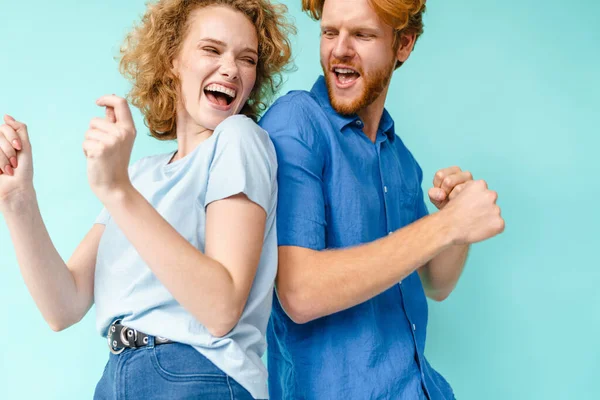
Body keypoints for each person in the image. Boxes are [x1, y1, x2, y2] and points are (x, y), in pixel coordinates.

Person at [0, 0, 293, 398]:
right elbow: (62, 306)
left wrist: (116, 189)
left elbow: (221, 308)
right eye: (212, 49)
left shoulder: (240, 139)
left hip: (197, 375)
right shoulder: (140, 175)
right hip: (116, 378)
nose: (231, 68)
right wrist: (18, 197)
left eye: (247, 59)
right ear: (172, 59)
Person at [259, 0, 505, 399]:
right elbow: (299, 292)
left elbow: (436, 283)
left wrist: (456, 222)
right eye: (330, 32)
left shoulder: (399, 157)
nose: (340, 49)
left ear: (403, 44)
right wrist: (445, 225)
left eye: (362, 34)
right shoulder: (295, 123)